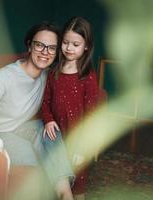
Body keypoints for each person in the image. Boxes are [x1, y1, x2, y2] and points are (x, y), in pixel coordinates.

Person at [0, 21, 74, 200]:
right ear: (29, 45)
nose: (45, 52)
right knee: (30, 159)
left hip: (22, 127)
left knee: (50, 129)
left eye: (51, 48)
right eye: (40, 45)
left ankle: (66, 194)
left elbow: (74, 68)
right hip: (0, 131)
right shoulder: (7, 75)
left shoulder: (48, 75)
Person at [41, 16, 100, 200]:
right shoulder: (53, 72)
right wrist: (49, 120)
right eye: (65, 43)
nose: (69, 48)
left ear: (86, 46)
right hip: (58, 137)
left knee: (78, 187)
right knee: (60, 180)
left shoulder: (87, 76)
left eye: (75, 44)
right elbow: (45, 102)